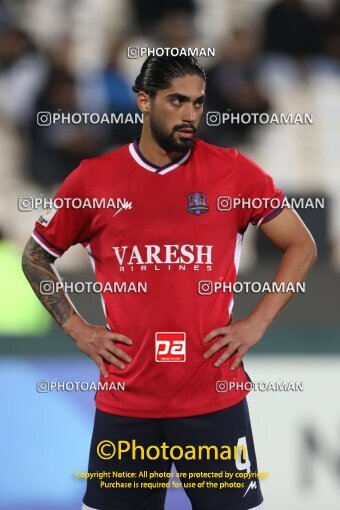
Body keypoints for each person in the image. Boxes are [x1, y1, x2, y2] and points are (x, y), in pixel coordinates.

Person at [22, 55, 317, 510]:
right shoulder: (94, 179)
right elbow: (36, 257)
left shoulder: (233, 172)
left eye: (197, 103)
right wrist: (77, 328)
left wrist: (256, 323)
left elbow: (302, 245)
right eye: (177, 101)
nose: (189, 115)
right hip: (127, 404)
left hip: (214, 399)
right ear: (144, 101)